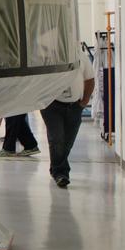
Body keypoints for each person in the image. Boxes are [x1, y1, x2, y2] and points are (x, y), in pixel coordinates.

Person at [40, 44, 96, 188]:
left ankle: (56, 168)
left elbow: (89, 79)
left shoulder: (80, 56)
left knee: (67, 142)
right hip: (52, 106)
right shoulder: (48, 58)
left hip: (74, 107)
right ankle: (61, 173)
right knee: (56, 138)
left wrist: (84, 102)